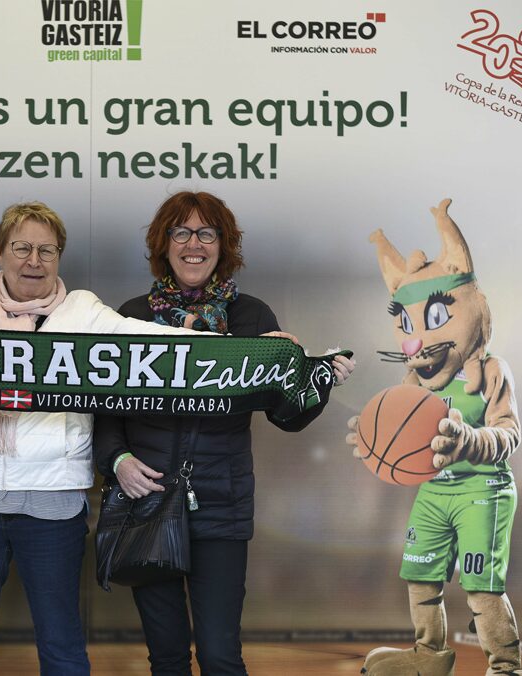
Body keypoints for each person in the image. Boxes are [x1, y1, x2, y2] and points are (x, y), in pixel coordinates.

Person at [0, 201, 203, 676]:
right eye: (22, 247)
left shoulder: (82, 310)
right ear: (1, 252)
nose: (34, 260)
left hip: (53, 502)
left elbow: (144, 340)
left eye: (46, 250)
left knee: (62, 644)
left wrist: (237, 347)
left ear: (59, 256)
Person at [93, 191, 355, 676]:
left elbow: (286, 415)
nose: (194, 244)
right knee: (167, 658)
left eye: (207, 233)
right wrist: (118, 463)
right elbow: (104, 410)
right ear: (164, 244)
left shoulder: (253, 318)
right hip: (146, 500)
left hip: (221, 503)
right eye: (181, 232)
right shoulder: (128, 317)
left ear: (223, 245)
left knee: (219, 656)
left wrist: (316, 382)